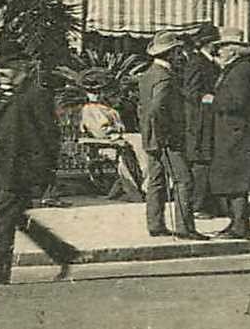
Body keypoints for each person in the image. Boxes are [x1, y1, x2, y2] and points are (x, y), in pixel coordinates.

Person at [0, 53, 79, 286]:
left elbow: (49, 134)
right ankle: (63, 252)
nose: (1, 76)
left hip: (24, 169)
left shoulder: (36, 94)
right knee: (14, 218)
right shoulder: (11, 95)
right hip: (8, 168)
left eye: (5, 71)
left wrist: (45, 170)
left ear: (21, 68)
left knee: (4, 220)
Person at [139, 31, 205, 240]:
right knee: (183, 180)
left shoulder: (148, 74)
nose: (180, 55)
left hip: (151, 138)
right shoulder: (165, 77)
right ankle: (185, 228)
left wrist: (151, 133)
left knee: (156, 180)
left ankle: (155, 224)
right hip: (167, 139)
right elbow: (158, 109)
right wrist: (163, 135)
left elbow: (144, 109)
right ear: (171, 53)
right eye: (177, 51)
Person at [208, 30, 250, 239]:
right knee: (229, 179)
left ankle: (240, 225)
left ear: (232, 49)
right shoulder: (238, 68)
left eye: (222, 47)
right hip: (231, 132)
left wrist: (213, 101)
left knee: (235, 180)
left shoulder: (241, 70)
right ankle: (235, 223)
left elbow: (238, 101)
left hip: (235, 133)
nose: (219, 51)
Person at [77, 69, 144, 201]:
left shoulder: (107, 108)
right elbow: (101, 131)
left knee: (141, 143)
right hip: (107, 144)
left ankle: (143, 185)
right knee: (137, 144)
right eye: (93, 92)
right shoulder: (90, 109)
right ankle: (138, 191)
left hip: (119, 141)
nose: (96, 95)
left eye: (98, 92)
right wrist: (115, 135)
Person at [181, 24, 221, 219]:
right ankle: (197, 205)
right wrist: (208, 97)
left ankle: (207, 203)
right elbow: (190, 91)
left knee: (207, 160)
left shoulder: (209, 62)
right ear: (209, 44)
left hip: (208, 119)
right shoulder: (197, 62)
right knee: (201, 162)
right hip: (199, 121)